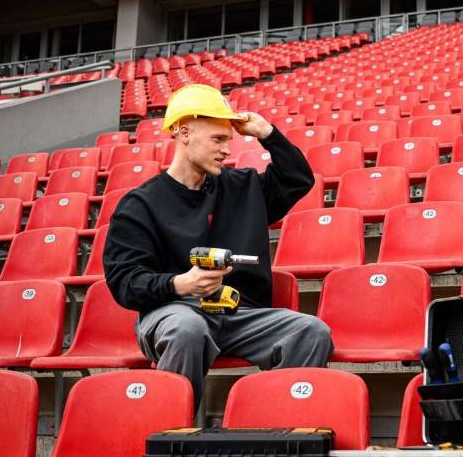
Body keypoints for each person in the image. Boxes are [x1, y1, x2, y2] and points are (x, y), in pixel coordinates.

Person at [104, 84, 333, 413]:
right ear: (184, 133)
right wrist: (180, 284)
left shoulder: (242, 186)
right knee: (188, 329)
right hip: (173, 311)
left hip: (240, 314)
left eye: (229, 139)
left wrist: (266, 133)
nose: (227, 149)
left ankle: (279, 431)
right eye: (218, 139)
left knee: (312, 331)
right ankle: (170, 434)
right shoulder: (141, 204)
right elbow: (125, 280)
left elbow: (298, 178)